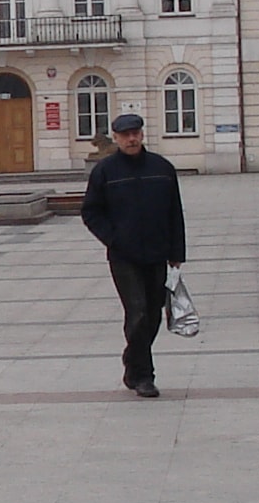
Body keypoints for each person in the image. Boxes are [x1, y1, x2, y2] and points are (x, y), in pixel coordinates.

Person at [79, 111, 186, 399]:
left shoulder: (162, 168)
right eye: (125, 135)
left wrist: (177, 252)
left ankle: (131, 360)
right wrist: (113, 239)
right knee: (137, 311)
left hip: (157, 253)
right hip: (124, 256)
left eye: (135, 133)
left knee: (152, 315)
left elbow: (175, 212)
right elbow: (90, 211)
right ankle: (144, 376)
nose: (131, 138)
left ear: (142, 134)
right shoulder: (106, 171)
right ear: (115, 137)